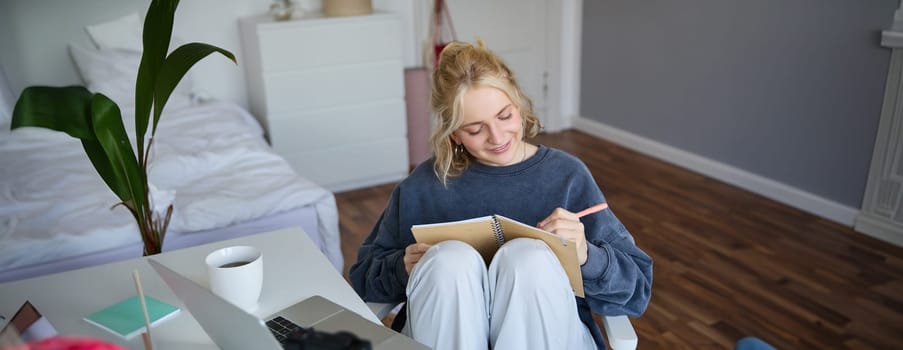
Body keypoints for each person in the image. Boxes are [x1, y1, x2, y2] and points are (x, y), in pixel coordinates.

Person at [349, 40, 653, 349]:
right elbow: (364, 278)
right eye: (475, 129)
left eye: (504, 116)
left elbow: (637, 288)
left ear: (519, 105)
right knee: (448, 261)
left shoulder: (567, 177)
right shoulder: (424, 186)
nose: (497, 138)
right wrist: (402, 267)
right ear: (454, 133)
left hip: (551, 333)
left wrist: (587, 256)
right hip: (442, 333)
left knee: (529, 258)